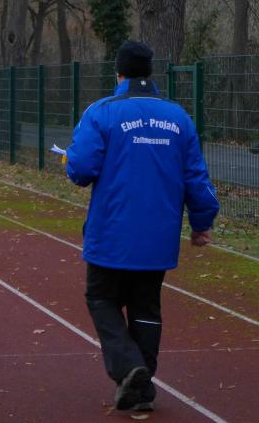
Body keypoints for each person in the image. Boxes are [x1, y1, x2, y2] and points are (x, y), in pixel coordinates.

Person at [66, 40, 220, 413]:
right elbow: (196, 177)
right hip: (158, 235)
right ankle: (142, 385)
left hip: (111, 231)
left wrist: (70, 160)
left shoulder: (102, 112)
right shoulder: (178, 118)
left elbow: (81, 169)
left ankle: (129, 367)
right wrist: (202, 222)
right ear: (150, 72)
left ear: (118, 72)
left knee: (102, 298)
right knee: (146, 306)